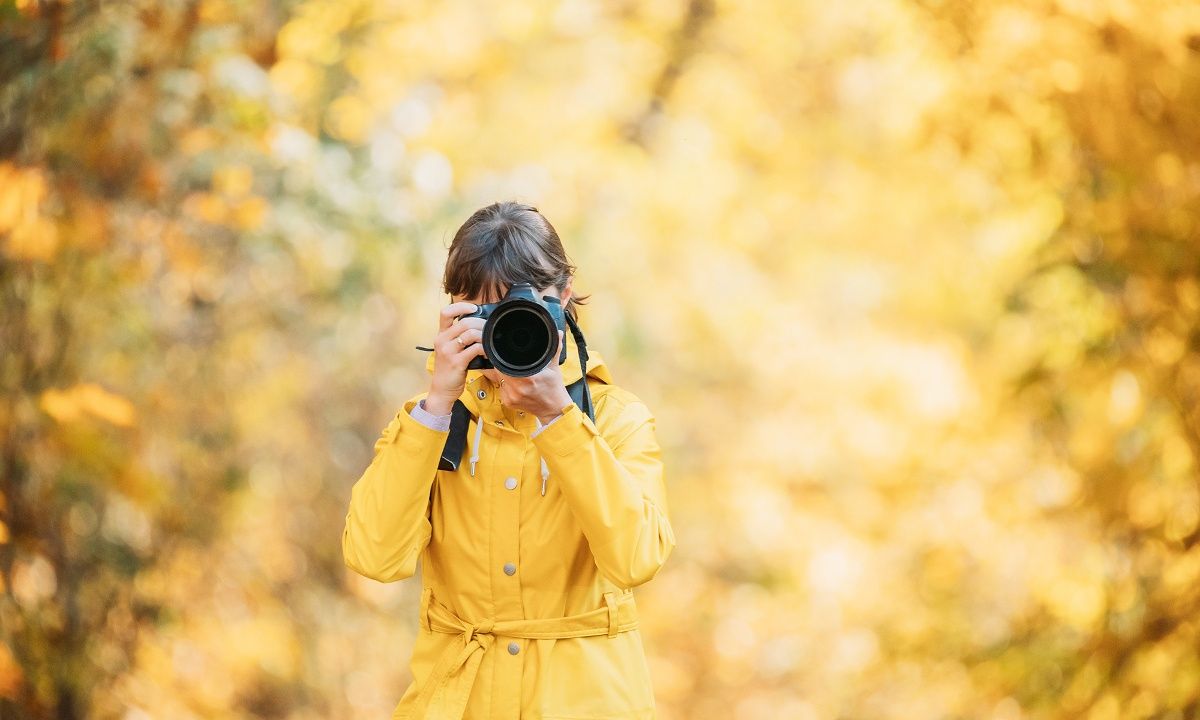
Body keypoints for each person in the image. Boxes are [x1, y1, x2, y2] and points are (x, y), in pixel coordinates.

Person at [341, 201, 676, 720]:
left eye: (523, 309)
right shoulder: (433, 422)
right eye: (484, 313)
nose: (507, 329)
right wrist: (436, 406)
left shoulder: (615, 419)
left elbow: (635, 561)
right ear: (454, 310)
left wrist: (560, 419)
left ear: (564, 299)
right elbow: (374, 557)